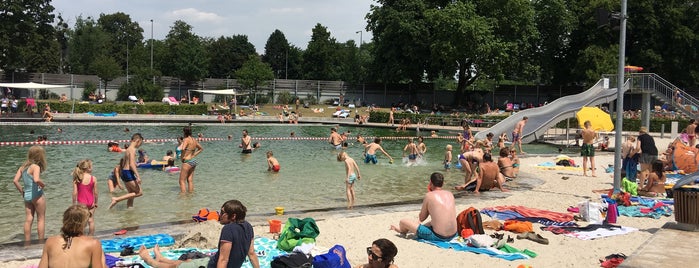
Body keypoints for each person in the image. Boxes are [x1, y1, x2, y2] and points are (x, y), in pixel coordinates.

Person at [390, 172, 457, 241]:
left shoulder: (429, 195)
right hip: (454, 234)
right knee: (433, 222)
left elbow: (422, 218)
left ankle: (402, 231)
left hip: (438, 236)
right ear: (442, 183)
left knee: (403, 221)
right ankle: (409, 229)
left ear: (431, 183)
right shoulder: (450, 194)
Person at [38, 205, 107, 268]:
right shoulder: (93, 244)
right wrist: (102, 260)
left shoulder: (50, 242)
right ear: (83, 224)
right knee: (101, 257)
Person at [208, 199, 260, 268]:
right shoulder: (248, 226)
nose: (220, 215)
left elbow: (223, 260)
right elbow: (251, 253)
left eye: (222, 212)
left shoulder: (228, 229)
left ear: (233, 216)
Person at [12, 145, 47, 242]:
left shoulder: (22, 167)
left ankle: (27, 244)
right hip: (37, 195)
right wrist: (43, 184)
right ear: (40, 156)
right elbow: (36, 179)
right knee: (41, 219)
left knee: (28, 219)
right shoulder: (35, 167)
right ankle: (40, 243)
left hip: (27, 196)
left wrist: (22, 192)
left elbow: (15, 181)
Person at [110, 133, 145, 209]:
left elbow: (126, 162)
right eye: (140, 143)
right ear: (137, 140)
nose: (139, 145)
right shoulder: (132, 150)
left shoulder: (127, 149)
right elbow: (131, 165)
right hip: (128, 172)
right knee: (139, 192)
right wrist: (138, 176)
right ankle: (116, 199)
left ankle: (129, 210)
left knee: (131, 194)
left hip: (124, 172)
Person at [71, 159, 98, 236]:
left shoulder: (77, 178)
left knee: (81, 221)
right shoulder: (93, 178)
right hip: (91, 202)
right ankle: (91, 236)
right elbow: (96, 193)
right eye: (91, 167)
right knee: (91, 220)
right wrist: (96, 202)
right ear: (88, 168)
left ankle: (81, 236)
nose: (92, 168)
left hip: (81, 203)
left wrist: (73, 204)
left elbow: (75, 193)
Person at [180, 126, 203, 193]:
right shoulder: (194, 139)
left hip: (187, 161)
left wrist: (182, 157)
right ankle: (190, 195)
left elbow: (183, 149)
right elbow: (201, 148)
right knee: (190, 180)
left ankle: (183, 197)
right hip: (193, 160)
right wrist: (194, 155)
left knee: (181, 181)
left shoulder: (186, 139)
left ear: (184, 132)